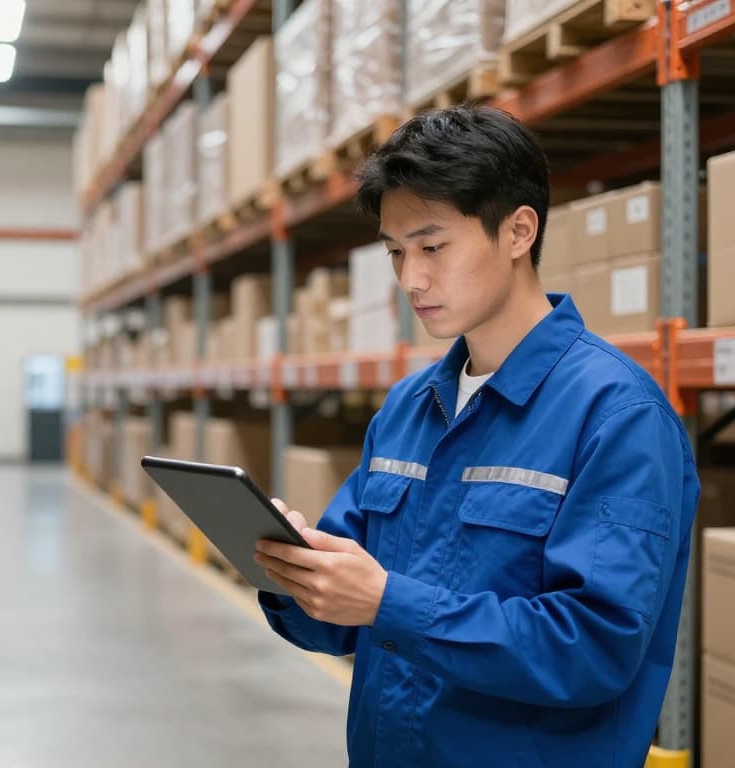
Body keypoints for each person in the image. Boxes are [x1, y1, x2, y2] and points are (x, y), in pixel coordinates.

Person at [254, 105, 699, 767]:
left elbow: (595, 648)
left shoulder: (617, 415)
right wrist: (296, 575)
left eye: (433, 247)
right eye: (397, 253)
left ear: (519, 231)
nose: (411, 279)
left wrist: (388, 601)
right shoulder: (409, 408)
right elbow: (345, 618)